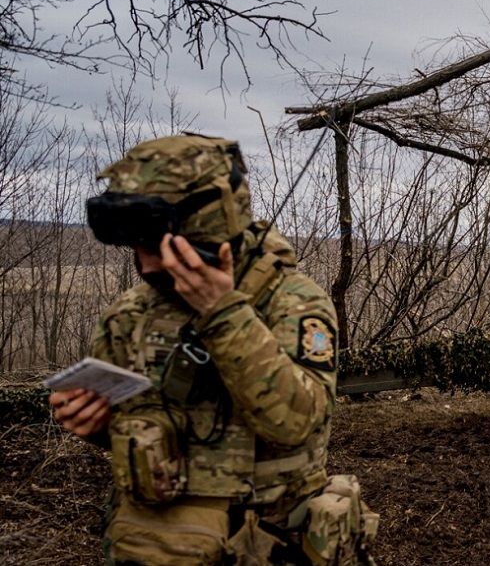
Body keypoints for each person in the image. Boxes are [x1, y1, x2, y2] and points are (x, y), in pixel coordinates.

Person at [49, 134, 376, 565]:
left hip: (269, 541)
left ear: (205, 231)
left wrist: (221, 313)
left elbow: (298, 422)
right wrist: (96, 424)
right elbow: (146, 430)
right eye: (137, 248)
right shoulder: (129, 315)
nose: (145, 265)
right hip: (160, 544)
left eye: (156, 247)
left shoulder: (292, 302)